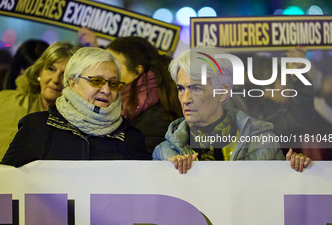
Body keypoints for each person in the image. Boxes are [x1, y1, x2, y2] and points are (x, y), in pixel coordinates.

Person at [152, 47, 312, 174]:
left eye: (196, 88)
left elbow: (275, 199)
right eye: (181, 88)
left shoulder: (263, 143)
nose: (186, 98)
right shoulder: (165, 152)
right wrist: (174, 176)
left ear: (222, 93)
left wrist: (293, 170)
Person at [1, 47, 150, 167]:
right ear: (73, 83)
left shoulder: (132, 137)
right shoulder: (36, 127)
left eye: (113, 83)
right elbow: (7, 184)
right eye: (96, 81)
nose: (106, 90)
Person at [106, 36, 183, 157]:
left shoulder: (156, 116)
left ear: (137, 71)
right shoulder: (129, 105)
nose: (107, 71)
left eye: (115, 66)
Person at [0, 41, 76, 161]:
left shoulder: (79, 123)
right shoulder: (5, 101)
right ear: (40, 72)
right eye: (51, 69)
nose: (55, 79)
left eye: (64, 75)